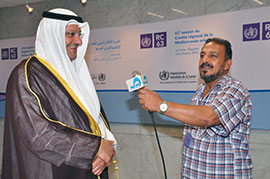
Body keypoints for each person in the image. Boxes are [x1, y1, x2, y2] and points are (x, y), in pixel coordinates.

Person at [2, 8, 117, 179]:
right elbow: (39, 135)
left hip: (86, 169)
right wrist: (95, 148)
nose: (78, 41)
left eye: (79, 35)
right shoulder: (26, 74)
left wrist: (107, 147)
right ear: (52, 35)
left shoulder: (75, 74)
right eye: (71, 34)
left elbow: (94, 120)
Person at [138, 38, 252, 178]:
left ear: (227, 64)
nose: (205, 60)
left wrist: (161, 105)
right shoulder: (200, 91)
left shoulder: (235, 90)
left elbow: (208, 117)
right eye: (202, 55)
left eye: (213, 56)